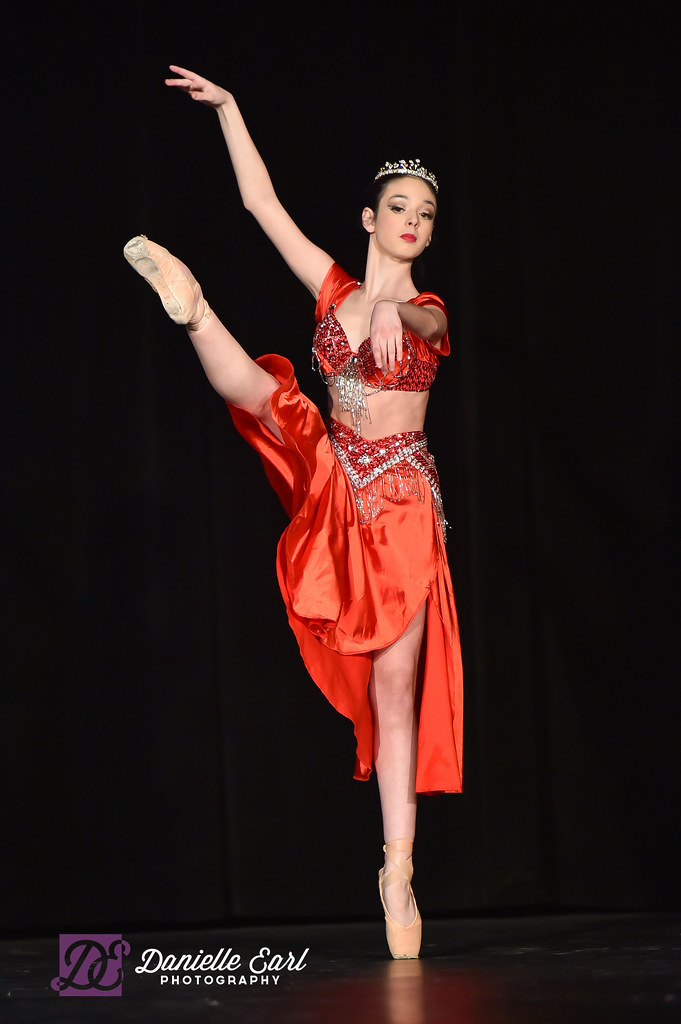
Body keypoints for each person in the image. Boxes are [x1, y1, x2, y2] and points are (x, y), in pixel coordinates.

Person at [124, 65, 463, 959]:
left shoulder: (427, 307)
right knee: (274, 401)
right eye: (398, 207)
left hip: (399, 501)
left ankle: (397, 871)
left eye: (425, 214)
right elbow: (260, 204)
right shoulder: (333, 289)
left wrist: (399, 317)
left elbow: (430, 330)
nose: (412, 221)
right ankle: (195, 311)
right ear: (369, 218)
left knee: (394, 688)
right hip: (337, 477)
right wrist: (231, 110)